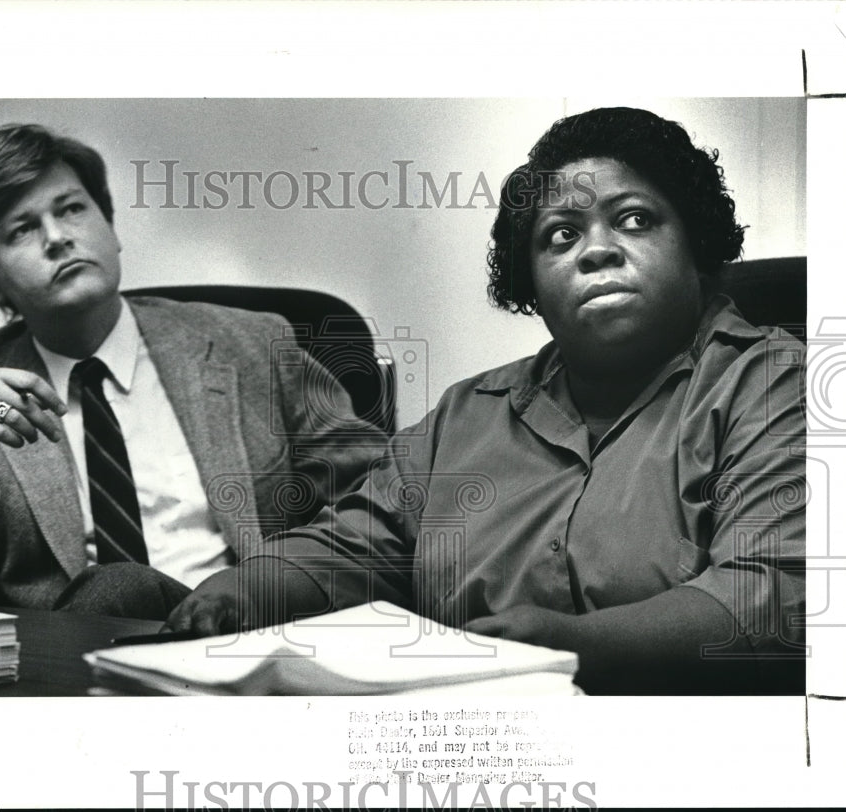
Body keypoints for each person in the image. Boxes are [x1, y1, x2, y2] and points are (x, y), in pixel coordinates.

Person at [166, 107, 806, 695]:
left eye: (635, 219)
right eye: (560, 235)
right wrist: (242, 589)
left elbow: (776, 594)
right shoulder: (467, 413)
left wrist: (576, 647)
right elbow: (355, 546)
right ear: (531, 283)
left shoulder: (775, 384)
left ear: (695, 244)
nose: (597, 249)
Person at [0, 123, 386, 618]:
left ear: (111, 228)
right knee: (119, 589)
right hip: (74, 661)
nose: (58, 238)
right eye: (21, 230)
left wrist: (275, 583)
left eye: (71, 209)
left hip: (251, 628)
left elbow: (380, 501)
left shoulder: (254, 344)